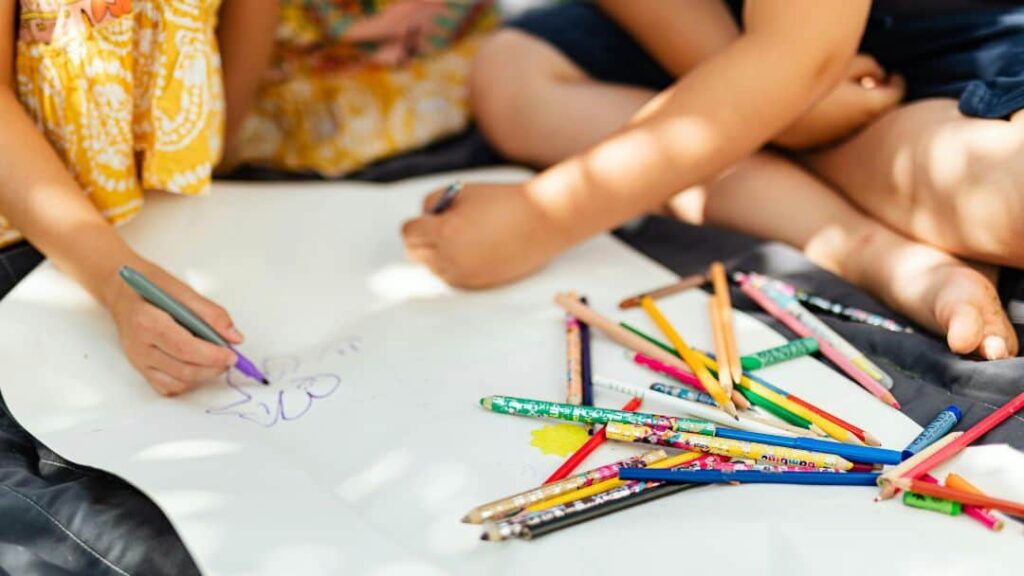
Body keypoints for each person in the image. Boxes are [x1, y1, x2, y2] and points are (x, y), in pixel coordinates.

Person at [402, 0, 1024, 360]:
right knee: (512, 78)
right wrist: (779, 105)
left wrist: (546, 214)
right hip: (737, 28)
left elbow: (798, 53)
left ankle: (759, 134)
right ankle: (868, 247)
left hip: (963, 37)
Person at [0, 0, 495, 396]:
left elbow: (249, 21)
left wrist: (211, 158)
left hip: (186, 201)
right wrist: (113, 279)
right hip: (32, 221)